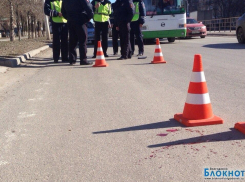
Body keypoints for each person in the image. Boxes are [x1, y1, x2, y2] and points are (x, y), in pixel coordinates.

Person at [61, 0, 93, 65]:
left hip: (70, 21)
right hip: (80, 21)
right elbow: (88, 7)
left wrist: (69, 18)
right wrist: (89, 17)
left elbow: (63, 12)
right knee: (83, 41)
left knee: (72, 41)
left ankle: (72, 60)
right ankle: (83, 60)